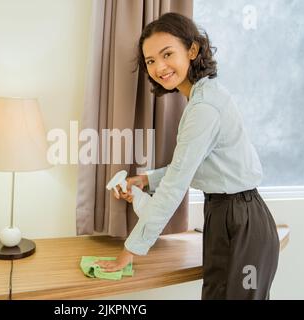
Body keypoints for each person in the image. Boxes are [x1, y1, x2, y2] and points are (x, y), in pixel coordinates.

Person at [94, 12, 279, 300]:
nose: (160, 67)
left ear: (192, 51)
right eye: (151, 61)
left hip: (240, 220)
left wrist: (128, 252)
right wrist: (145, 179)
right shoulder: (200, 99)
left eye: (167, 54)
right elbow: (192, 166)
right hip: (229, 214)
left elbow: (174, 187)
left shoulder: (204, 108)